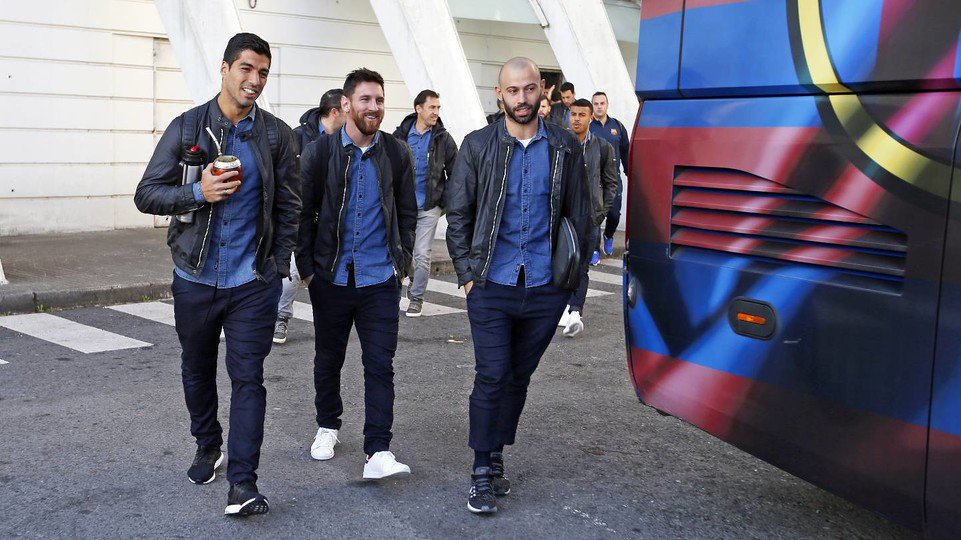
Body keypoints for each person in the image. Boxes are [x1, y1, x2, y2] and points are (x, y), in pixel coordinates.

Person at [134, 32, 300, 517]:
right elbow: (146, 194)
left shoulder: (276, 135)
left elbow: (290, 206)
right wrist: (197, 193)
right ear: (224, 69)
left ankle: (243, 484)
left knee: (249, 379)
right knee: (196, 368)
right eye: (246, 68)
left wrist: (277, 266)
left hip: (252, 282)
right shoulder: (188, 127)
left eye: (263, 72)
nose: (255, 80)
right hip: (195, 276)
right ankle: (208, 444)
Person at [446, 57, 592, 514]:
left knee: (518, 377)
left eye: (530, 89)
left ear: (542, 89)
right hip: (491, 283)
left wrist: (572, 290)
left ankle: (496, 452)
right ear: (500, 94)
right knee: (492, 374)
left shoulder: (565, 147)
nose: (523, 98)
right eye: (513, 91)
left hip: (545, 287)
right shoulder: (478, 145)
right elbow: (458, 214)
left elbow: (581, 218)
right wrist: (468, 277)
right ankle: (481, 470)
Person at [296, 68, 416, 479]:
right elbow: (302, 214)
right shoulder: (320, 152)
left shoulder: (397, 153)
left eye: (379, 100)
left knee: (381, 364)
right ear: (346, 104)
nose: (374, 107)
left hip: (380, 278)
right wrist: (307, 270)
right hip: (331, 277)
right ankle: (327, 426)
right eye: (365, 99)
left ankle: (378, 449)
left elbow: (407, 211)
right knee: (328, 358)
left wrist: (402, 263)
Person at [274, 88, 346, 345]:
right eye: (347, 110)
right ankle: (281, 317)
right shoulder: (297, 137)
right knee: (294, 271)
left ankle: (331, 323)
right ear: (335, 112)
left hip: (332, 218)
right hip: (300, 215)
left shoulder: (347, 140)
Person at [392, 89, 458, 317]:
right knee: (402, 251)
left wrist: (443, 201)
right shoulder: (399, 136)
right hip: (403, 207)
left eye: (438, 108)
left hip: (430, 206)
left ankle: (416, 298)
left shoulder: (443, 138)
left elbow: (456, 172)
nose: (436, 112)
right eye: (432, 107)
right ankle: (403, 285)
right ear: (418, 108)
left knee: (422, 253)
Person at [558, 98, 618, 337]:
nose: (576, 119)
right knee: (561, 263)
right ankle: (562, 307)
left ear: (591, 118)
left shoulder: (602, 147)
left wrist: (600, 213)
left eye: (582, 115)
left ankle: (575, 311)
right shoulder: (559, 144)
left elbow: (611, 183)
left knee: (582, 265)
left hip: (589, 217)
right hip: (563, 216)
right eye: (573, 114)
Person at [589, 91, 631, 256]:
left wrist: (629, 171)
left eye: (602, 103)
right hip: (593, 178)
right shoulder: (588, 126)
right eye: (596, 104)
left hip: (613, 179)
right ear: (592, 106)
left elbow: (626, 150)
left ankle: (609, 235)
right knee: (594, 215)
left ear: (607, 105)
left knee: (614, 214)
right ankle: (594, 249)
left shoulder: (617, 126)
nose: (599, 107)